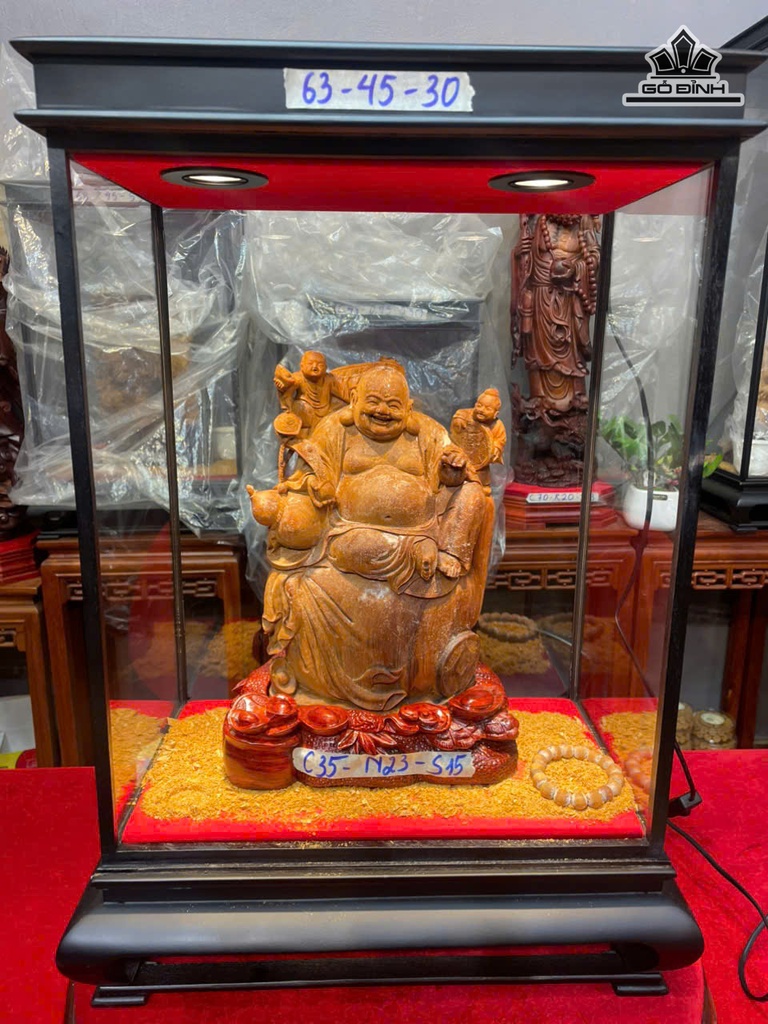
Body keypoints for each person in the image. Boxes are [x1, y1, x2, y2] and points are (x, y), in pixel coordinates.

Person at [247, 363, 495, 710]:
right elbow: (308, 478)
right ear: (354, 402)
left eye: (393, 405)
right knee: (354, 547)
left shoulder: (427, 432)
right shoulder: (335, 429)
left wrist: (451, 470)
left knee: (473, 495)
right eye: (373, 402)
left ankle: (449, 554)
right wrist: (315, 489)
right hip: (353, 532)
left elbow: (454, 479)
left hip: (427, 527)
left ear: (409, 408)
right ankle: (414, 553)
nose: (382, 411)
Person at [512, 213, 600, 422]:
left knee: (570, 349)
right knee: (537, 350)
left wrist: (576, 268)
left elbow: (594, 256)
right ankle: (539, 399)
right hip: (540, 295)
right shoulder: (536, 218)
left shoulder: (583, 220)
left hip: (569, 297)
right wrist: (518, 253)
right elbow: (522, 257)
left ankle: (576, 399)